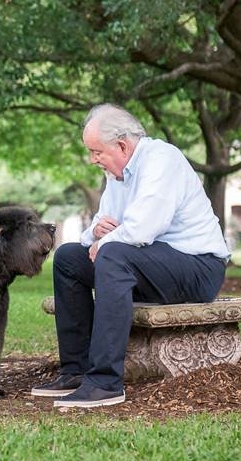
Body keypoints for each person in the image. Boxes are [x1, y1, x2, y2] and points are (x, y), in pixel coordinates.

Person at [32, 103, 230, 408]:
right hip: (149, 265)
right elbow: (96, 233)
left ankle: (105, 383)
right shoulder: (118, 175)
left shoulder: (162, 160)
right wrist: (98, 231)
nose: (93, 159)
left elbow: (141, 230)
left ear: (122, 145)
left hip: (198, 268)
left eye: (96, 151)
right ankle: (76, 370)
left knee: (113, 254)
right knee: (69, 257)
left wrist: (107, 239)